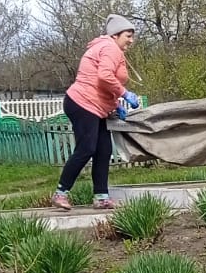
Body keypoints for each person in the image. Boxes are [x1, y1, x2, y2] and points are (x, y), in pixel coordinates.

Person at [51, 15, 140, 211]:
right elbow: (104, 76)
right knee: (87, 149)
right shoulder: (110, 48)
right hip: (83, 103)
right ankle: (60, 193)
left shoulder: (107, 47)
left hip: (96, 106)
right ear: (116, 35)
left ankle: (101, 198)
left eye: (133, 36)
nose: (131, 40)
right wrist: (125, 93)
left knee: (103, 150)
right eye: (128, 35)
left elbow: (100, 83)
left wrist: (115, 105)